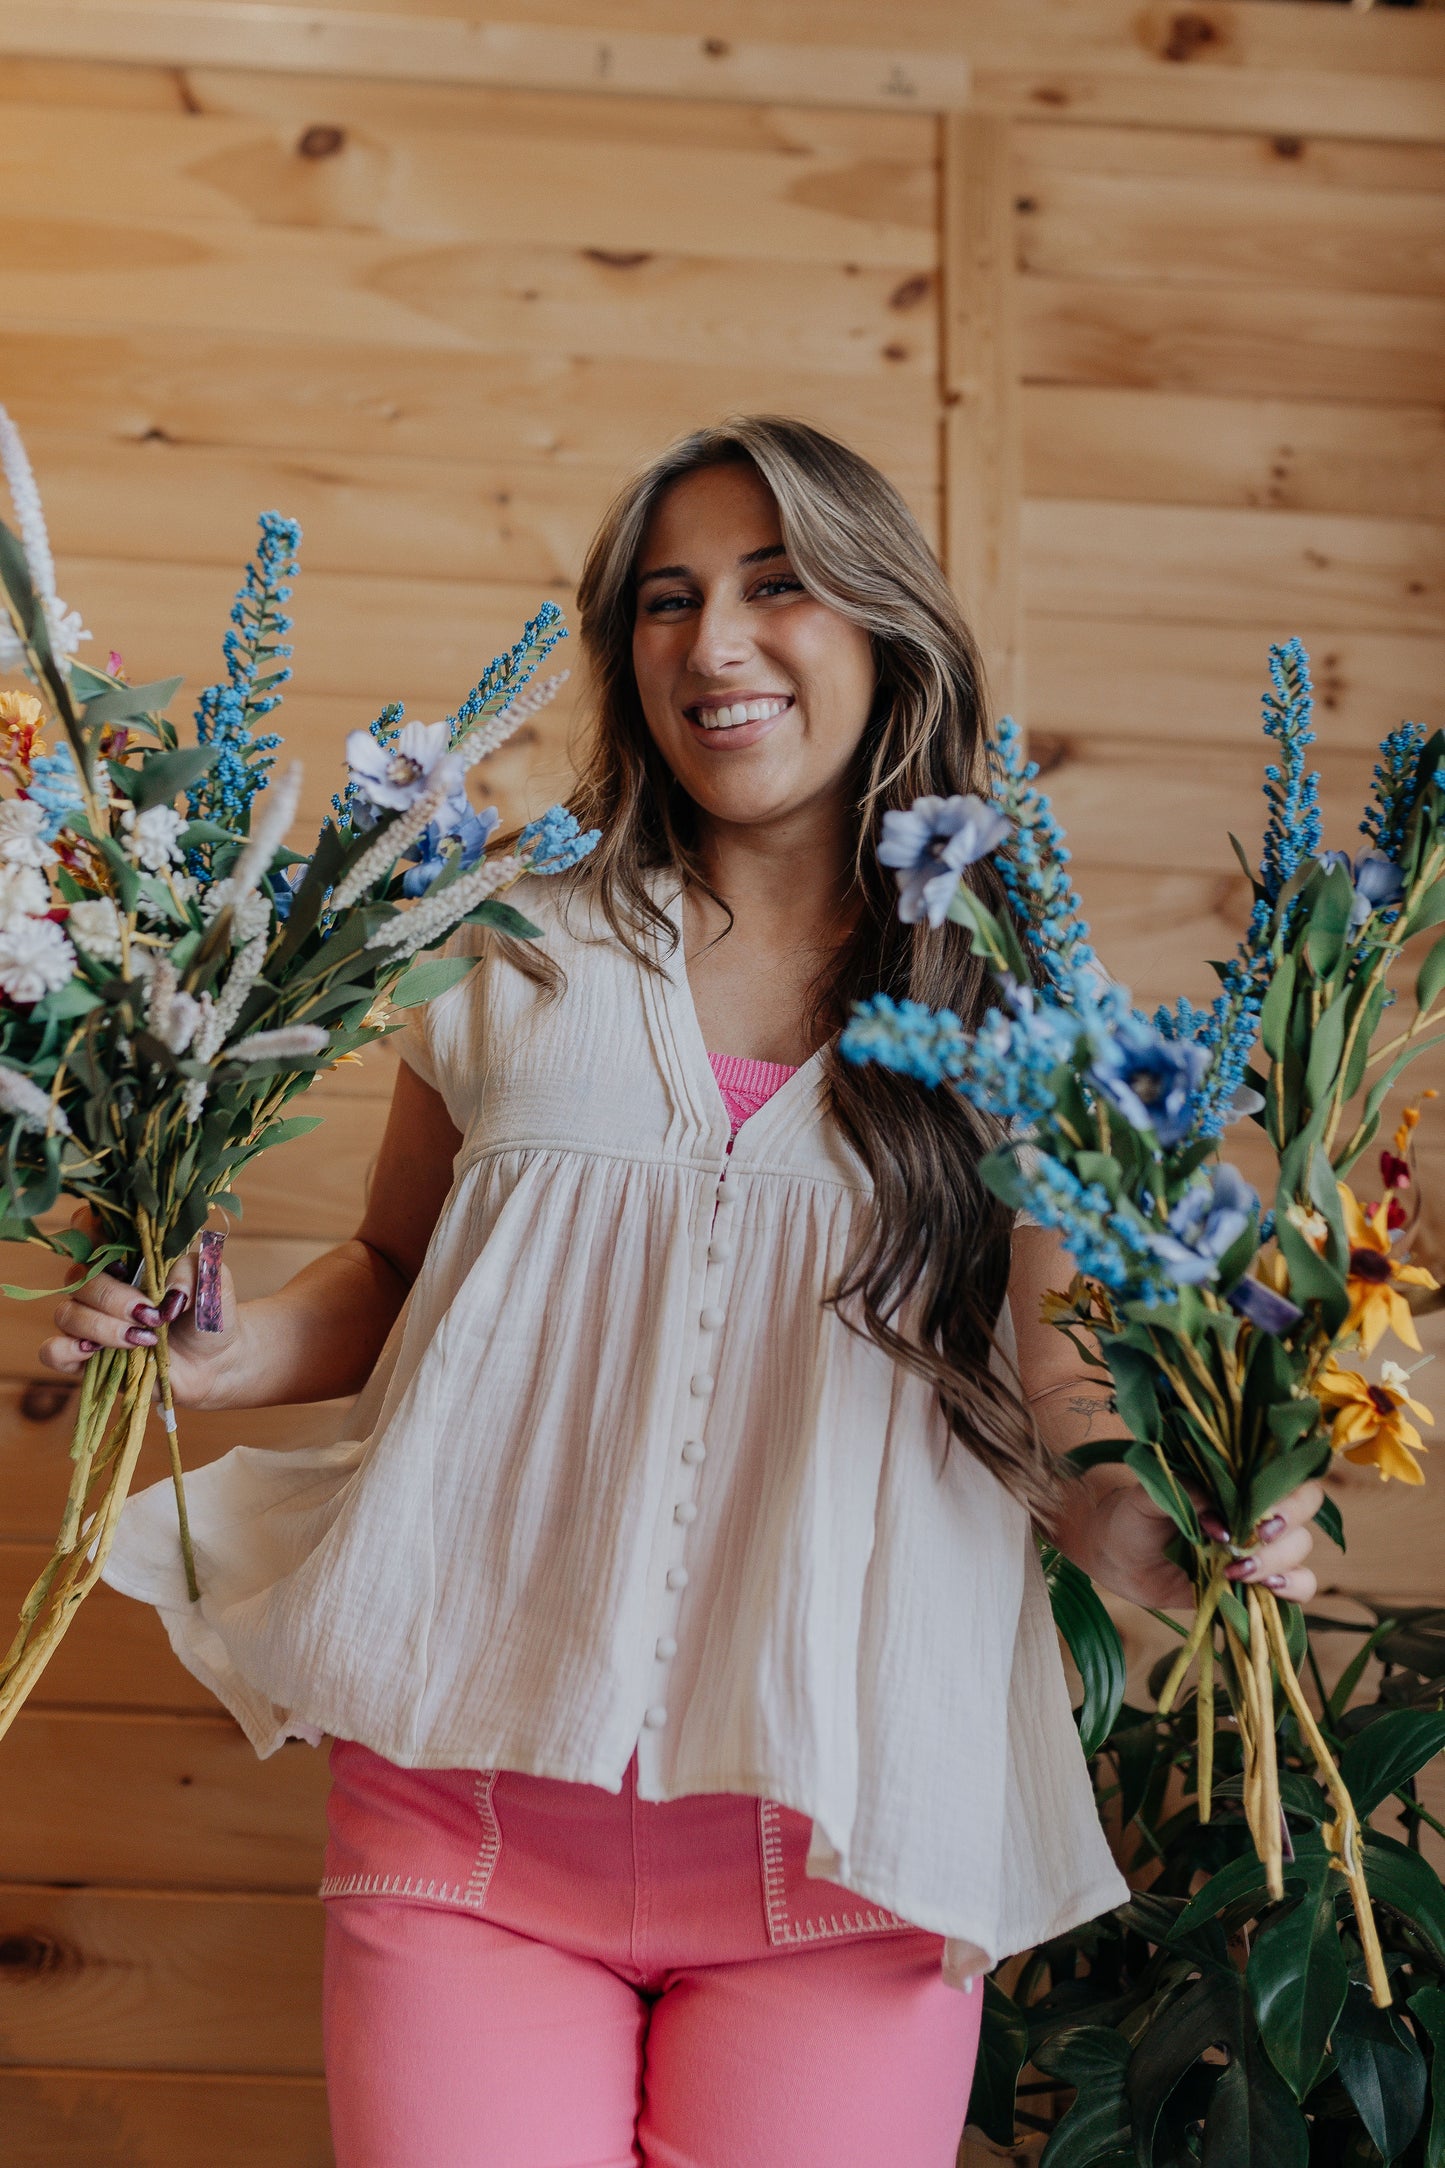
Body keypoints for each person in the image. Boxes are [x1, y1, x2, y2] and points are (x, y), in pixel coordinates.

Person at [41, 417, 1322, 2168]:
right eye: (664, 600)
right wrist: (214, 1338)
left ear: (884, 629)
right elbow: (398, 1275)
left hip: (849, 1847)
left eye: (774, 586)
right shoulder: (506, 939)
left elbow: (1068, 1388)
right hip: (467, 1825)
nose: (711, 644)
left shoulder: (1021, 1027)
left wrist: (1184, 1528)